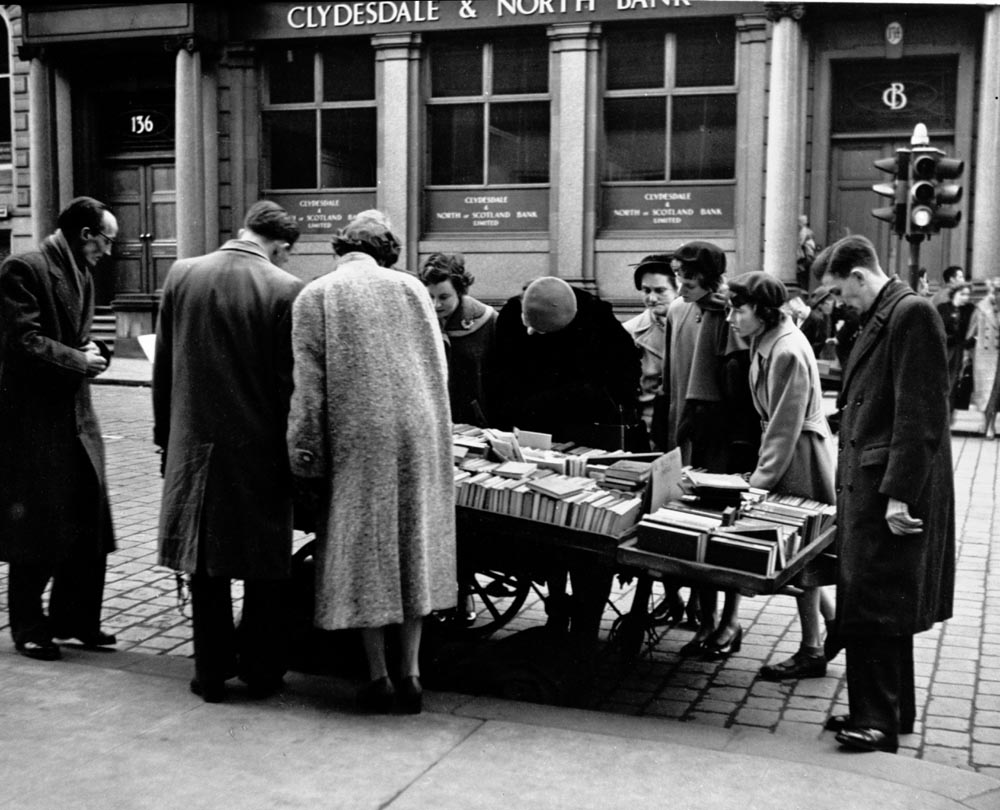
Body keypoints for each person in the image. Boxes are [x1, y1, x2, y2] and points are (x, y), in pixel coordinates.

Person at [287, 210, 456, 714]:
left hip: (358, 439)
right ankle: (413, 674)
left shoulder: (317, 295)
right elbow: (438, 368)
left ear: (340, 249)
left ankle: (379, 675)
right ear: (387, 253)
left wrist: (305, 455)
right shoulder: (412, 289)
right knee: (413, 544)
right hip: (419, 432)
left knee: (365, 553)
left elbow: (309, 389)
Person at [153, 201, 303, 703]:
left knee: (204, 564)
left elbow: (164, 370)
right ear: (279, 246)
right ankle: (261, 671)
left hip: (193, 448)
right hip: (260, 451)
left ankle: (211, 672)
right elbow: (289, 386)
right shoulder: (286, 288)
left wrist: (165, 439)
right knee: (265, 566)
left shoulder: (182, 274)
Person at [818, 234, 954, 754]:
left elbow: (921, 412)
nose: (839, 302)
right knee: (881, 599)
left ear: (858, 275)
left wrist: (900, 495)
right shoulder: (887, 314)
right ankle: (891, 711)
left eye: (840, 291)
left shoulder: (910, 313)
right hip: (876, 483)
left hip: (888, 490)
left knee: (874, 601)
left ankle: (875, 721)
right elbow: (881, 398)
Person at [0, 196, 118, 661]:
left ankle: (75, 620)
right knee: (38, 529)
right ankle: (29, 627)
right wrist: (78, 360)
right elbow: (21, 342)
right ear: (86, 234)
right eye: (106, 240)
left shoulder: (80, 272)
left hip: (77, 419)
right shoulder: (24, 268)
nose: (108, 251)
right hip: (36, 424)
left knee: (88, 523)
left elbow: (73, 337)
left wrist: (97, 352)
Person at [490, 276, 640, 638]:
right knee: (546, 532)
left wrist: (573, 398)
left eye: (543, 333)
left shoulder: (600, 323)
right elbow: (497, 378)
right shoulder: (512, 316)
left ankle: (586, 625)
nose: (533, 336)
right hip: (534, 439)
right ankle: (555, 606)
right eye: (531, 328)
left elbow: (624, 382)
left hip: (588, 439)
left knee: (586, 537)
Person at [724, 272, 837, 682]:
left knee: (801, 558)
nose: (731, 318)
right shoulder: (768, 339)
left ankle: (812, 650)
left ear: (763, 310)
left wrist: (759, 481)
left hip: (798, 458)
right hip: (791, 452)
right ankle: (837, 627)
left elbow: (784, 426)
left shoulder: (785, 349)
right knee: (803, 556)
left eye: (738, 309)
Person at [653, 241, 761, 660]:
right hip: (684, 435)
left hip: (720, 440)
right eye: (678, 277)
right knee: (692, 526)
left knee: (725, 531)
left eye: (688, 279)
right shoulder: (678, 311)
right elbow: (669, 380)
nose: (680, 287)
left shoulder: (730, 314)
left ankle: (729, 621)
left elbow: (741, 388)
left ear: (711, 278)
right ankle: (706, 619)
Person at [418, 252, 497, 426]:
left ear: (459, 292)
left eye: (444, 297)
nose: (436, 305)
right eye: (430, 296)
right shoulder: (417, 322)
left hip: (476, 423)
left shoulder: (487, 320)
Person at [623, 253, 676, 446]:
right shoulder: (629, 333)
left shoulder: (697, 328)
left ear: (679, 289)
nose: (652, 298)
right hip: (647, 433)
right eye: (646, 290)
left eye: (660, 290)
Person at [936, 283, 976, 413]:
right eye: (962, 294)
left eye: (968, 295)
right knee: (940, 381)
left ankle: (948, 412)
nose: (966, 297)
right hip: (944, 349)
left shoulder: (970, 310)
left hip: (960, 350)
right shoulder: (942, 308)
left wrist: (968, 343)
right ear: (954, 294)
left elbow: (972, 330)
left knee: (953, 382)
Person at [971, 279, 1000, 438]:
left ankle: (992, 424)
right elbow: (971, 332)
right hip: (986, 356)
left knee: (996, 391)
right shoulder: (982, 308)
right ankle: (987, 423)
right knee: (987, 392)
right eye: (997, 291)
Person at [800, 286, 837, 359]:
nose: (831, 306)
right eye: (828, 302)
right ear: (820, 304)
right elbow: (819, 341)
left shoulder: (825, 317)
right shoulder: (818, 317)